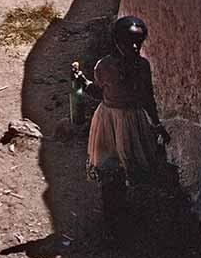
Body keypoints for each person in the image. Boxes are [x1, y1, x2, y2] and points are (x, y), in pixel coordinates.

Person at [72, 16, 170, 240]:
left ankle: (120, 212)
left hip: (133, 122)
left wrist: (157, 124)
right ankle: (111, 222)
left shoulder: (142, 66)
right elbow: (100, 93)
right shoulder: (104, 66)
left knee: (125, 169)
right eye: (129, 42)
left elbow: (147, 98)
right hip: (108, 121)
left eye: (138, 42)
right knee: (109, 170)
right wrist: (83, 82)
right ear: (117, 41)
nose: (134, 47)